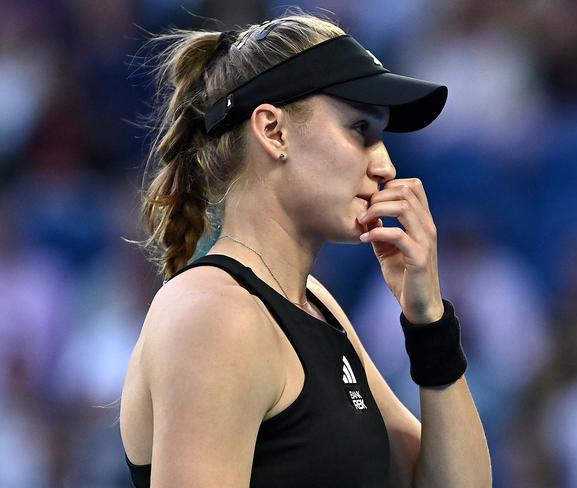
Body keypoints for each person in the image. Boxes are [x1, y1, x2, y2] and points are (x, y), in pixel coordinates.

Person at [119, 9, 491, 488]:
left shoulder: (315, 305)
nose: (386, 166)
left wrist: (430, 324)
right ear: (273, 131)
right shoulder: (214, 314)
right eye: (361, 130)